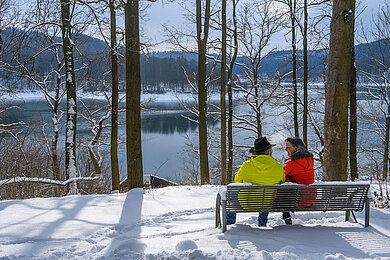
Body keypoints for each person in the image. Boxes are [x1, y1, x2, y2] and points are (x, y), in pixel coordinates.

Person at [226, 136, 285, 227]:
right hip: (267, 204)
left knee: (231, 192)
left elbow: (237, 181)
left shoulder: (246, 165)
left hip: (247, 203)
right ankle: (262, 224)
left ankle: (229, 224)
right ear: (269, 152)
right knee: (266, 198)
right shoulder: (279, 167)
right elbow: (282, 182)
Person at [282, 136, 315, 225]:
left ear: (295, 148)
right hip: (310, 197)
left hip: (299, 199)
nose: (285, 149)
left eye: (288, 147)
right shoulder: (310, 159)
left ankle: (287, 217)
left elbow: (281, 176)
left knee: (281, 187)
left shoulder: (291, 163)